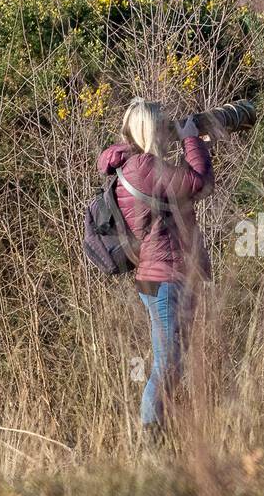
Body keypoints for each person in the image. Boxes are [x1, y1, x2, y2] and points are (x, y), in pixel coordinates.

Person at [96, 98, 224, 439]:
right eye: (164, 126)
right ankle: (151, 438)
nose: (169, 130)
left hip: (158, 276)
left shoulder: (135, 167)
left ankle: (159, 434)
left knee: (171, 361)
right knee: (168, 363)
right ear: (152, 130)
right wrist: (190, 139)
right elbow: (201, 183)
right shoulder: (143, 168)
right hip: (167, 278)